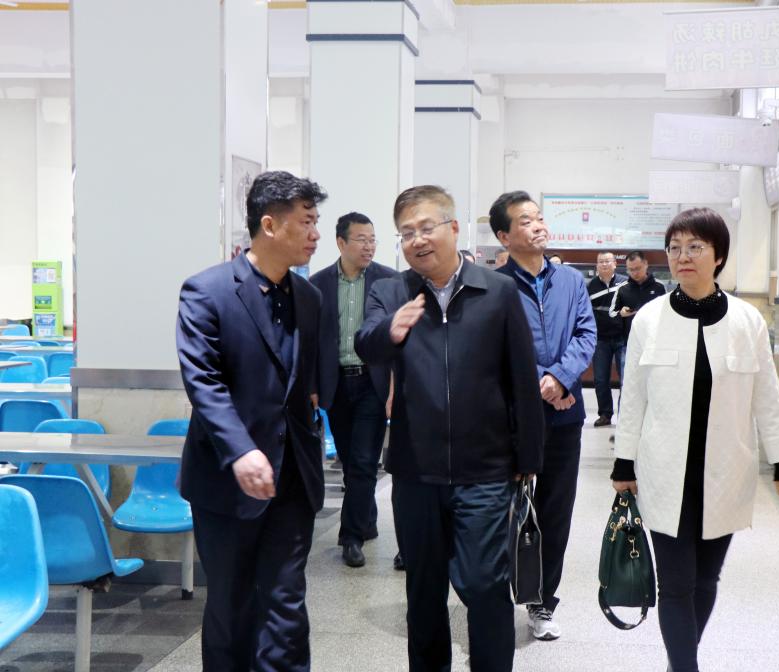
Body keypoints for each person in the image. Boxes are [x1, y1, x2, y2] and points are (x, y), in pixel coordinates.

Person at [355, 185, 545, 672]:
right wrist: (389, 330)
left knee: (484, 585)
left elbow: (522, 378)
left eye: (426, 228)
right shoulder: (390, 292)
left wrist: (528, 458)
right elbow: (365, 343)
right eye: (406, 233)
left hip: (485, 470)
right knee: (423, 591)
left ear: (454, 228)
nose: (417, 240)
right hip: (416, 471)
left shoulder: (497, 290)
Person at [611, 207, 779, 672]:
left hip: (725, 472)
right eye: (674, 248)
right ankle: (685, 666)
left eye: (695, 247)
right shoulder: (649, 319)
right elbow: (633, 397)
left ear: (718, 256)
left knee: (706, 579)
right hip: (664, 473)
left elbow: (767, 395)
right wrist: (623, 462)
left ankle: (681, 659)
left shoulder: (747, 320)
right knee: (675, 585)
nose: (683, 256)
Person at [176, 171, 327, 671]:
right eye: (306, 222)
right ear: (269, 225)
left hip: (293, 477)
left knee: (287, 605)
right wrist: (241, 449)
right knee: (231, 605)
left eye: (316, 221)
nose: (315, 234)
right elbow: (204, 383)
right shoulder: (207, 292)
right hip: (227, 479)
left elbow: (303, 384)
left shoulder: (310, 298)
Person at [489, 191, 596, 641]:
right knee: (502, 510)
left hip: (565, 419)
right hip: (510, 418)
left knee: (554, 512)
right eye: (525, 220)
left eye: (539, 217)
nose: (537, 226)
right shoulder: (492, 286)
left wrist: (560, 379)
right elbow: (493, 348)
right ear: (504, 235)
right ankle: (495, 599)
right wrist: (542, 385)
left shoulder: (570, 281)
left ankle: (542, 601)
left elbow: (586, 333)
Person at [309, 212, 399, 569]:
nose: (368, 246)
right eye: (361, 239)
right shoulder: (317, 285)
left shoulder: (388, 282)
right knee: (351, 463)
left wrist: (394, 387)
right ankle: (367, 521)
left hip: (372, 383)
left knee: (363, 462)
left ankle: (350, 537)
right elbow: (311, 342)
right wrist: (313, 386)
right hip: (336, 385)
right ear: (340, 242)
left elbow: (397, 340)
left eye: (372, 239)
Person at [588, 251, 627, 428]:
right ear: (597, 265)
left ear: (615, 264)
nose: (604, 264)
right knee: (600, 379)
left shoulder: (625, 283)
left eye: (607, 261)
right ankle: (605, 414)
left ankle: (624, 416)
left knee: (625, 379)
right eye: (601, 261)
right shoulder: (590, 286)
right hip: (600, 339)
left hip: (622, 338)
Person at [609, 250, 666, 344]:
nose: (635, 273)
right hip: (629, 341)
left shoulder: (659, 286)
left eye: (638, 268)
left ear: (646, 264)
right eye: (631, 270)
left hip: (654, 339)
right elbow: (611, 313)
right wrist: (621, 313)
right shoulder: (622, 288)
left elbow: (666, 312)